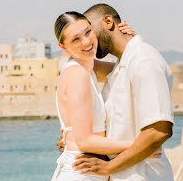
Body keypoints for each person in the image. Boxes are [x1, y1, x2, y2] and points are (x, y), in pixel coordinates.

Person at [67, 4, 175, 181]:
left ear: (108, 22)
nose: (88, 40)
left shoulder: (144, 60)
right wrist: (74, 138)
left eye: (89, 31)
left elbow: (159, 131)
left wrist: (109, 167)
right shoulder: (122, 65)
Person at [51, 11, 140, 181]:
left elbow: (126, 67)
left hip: (88, 171)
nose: (86, 42)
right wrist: (140, 146)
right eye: (75, 39)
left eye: (88, 32)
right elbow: (85, 142)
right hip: (81, 172)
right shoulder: (77, 73)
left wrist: (130, 41)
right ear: (63, 47)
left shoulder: (87, 66)